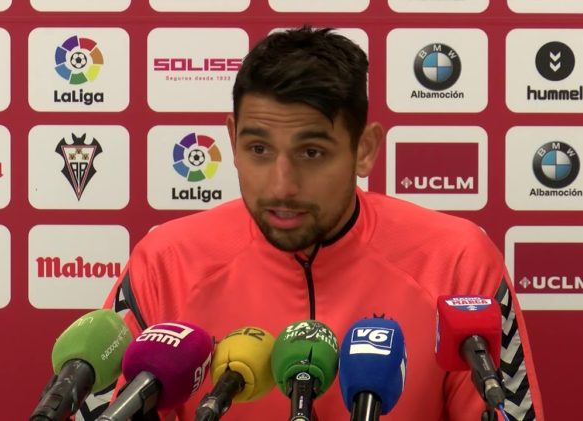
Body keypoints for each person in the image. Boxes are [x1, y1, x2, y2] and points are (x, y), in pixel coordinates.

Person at [82, 26, 544, 420]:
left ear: (364, 149)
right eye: (259, 149)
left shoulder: (457, 261)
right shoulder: (166, 261)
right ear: (232, 139)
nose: (282, 185)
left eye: (311, 152)